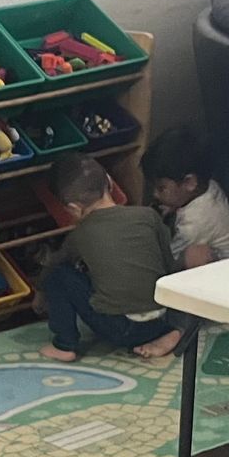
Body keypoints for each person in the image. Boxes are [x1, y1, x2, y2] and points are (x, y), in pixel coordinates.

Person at [39, 155, 191, 361]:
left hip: (122, 329)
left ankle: (64, 344)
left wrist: (40, 294)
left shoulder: (80, 234)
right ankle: (171, 331)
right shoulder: (148, 216)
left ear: (73, 208)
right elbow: (168, 265)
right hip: (163, 317)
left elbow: (54, 265)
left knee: (59, 274)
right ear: (110, 182)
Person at [142, 128, 229, 268]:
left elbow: (170, 259)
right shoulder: (210, 187)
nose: (155, 194)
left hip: (228, 273)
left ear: (189, 183)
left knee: (190, 257)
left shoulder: (194, 224)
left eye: (161, 188)